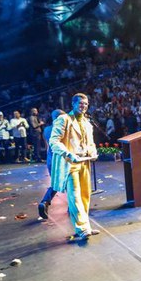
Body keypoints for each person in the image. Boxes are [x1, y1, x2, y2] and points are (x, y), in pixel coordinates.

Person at [48, 95, 99, 241]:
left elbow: (90, 143)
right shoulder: (64, 119)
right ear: (73, 104)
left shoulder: (87, 123)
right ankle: (82, 228)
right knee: (75, 195)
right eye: (81, 103)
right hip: (70, 163)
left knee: (84, 195)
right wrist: (69, 154)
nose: (84, 106)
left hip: (84, 162)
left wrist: (93, 151)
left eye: (86, 104)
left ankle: (85, 226)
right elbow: (54, 141)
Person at [38, 109, 64, 220]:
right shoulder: (62, 129)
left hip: (50, 159)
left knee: (55, 183)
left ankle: (44, 202)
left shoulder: (47, 129)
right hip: (61, 159)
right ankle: (73, 207)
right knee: (71, 182)